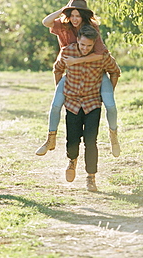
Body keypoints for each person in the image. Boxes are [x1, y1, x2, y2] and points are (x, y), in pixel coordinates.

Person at [35, 0, 120, 157]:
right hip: (73, 72)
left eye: (78, 15)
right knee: (55, 105)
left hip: (94, 72)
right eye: (72, 14)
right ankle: (50, 139)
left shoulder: (91, 28)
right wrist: (64, 9)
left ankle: (113, 136)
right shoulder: (63, 25)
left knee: (110, 105)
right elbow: (46, 21)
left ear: (84, 17)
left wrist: (77, 60)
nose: (75, 19)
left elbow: (101, 54)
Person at [53, 25, 121, 191]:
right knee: (72, 139)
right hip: (73, 103)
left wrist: (109, 92)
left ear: (94, 44)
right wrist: (61, 90)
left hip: (92, 103)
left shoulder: (101, 57)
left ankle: (91, 177)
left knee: (91, 141)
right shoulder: (67, 52)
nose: (85, 49)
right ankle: (72, 160)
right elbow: (57, 69)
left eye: (89, 46)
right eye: (82, 45)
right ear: (77, 40)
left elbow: (115, 71)